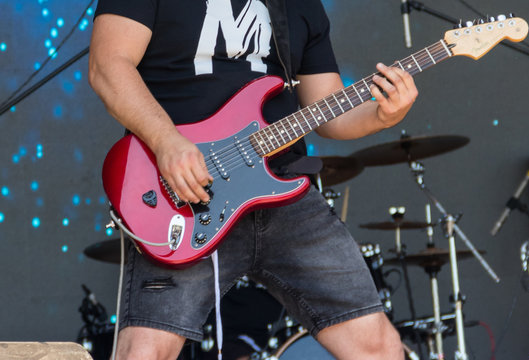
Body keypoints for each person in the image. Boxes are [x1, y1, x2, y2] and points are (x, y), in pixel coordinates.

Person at [88, 0, 418, 359]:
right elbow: (107, 65)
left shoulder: (300, 5)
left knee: (380, 346)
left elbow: (327, 110)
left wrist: (383, 115)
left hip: (284, 191)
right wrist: (166, 141)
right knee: (146, 351)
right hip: (186, 196)